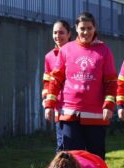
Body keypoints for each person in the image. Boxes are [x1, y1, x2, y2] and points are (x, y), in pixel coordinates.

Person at [44, 12, 117, 159]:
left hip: (95, 115)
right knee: (72, 158)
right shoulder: (66, 49)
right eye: (82, 28)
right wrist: (49, 104)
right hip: (70, 113)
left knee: (96, 158)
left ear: (94, 28)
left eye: (89, 28)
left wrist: (109, 105)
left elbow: (110, 81)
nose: (86, 32)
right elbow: (56, 79)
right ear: (76, 29)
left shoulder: (104, 51)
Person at [42, 20, 71, 153]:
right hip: (59, 105)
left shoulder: (76, 53)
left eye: (61, 32)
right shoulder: (49, 57)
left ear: (69, 34)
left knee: (74, 144)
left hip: (75, 104)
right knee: (61, 143)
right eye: (55, 32)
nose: (57, 36)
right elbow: (47, 81)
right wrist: (46, 100)